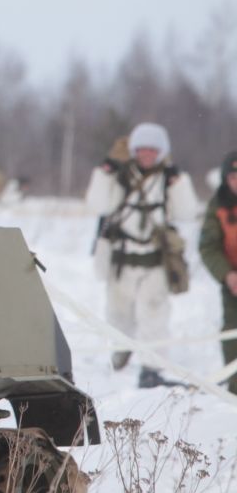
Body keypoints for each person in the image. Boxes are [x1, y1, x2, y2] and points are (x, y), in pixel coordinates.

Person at [87, 121, 202, 388]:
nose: (148, 155)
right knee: (118, 312)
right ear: (134, 151)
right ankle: (121, 349)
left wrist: (178, 182)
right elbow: (99, 204)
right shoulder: (121, 177)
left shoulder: (169, 179)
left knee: (154, 315)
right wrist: (105, 172)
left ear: (161, 152)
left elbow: (186, 212)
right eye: (142, 149)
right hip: (122, 259)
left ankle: (152, 368)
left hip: (155, 261)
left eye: (153, 150)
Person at [198, 150, 237, 393]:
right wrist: (227, 274)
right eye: (233, 177)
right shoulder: (218, 205)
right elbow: (208, 246)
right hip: (233, 282)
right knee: (232, 335)